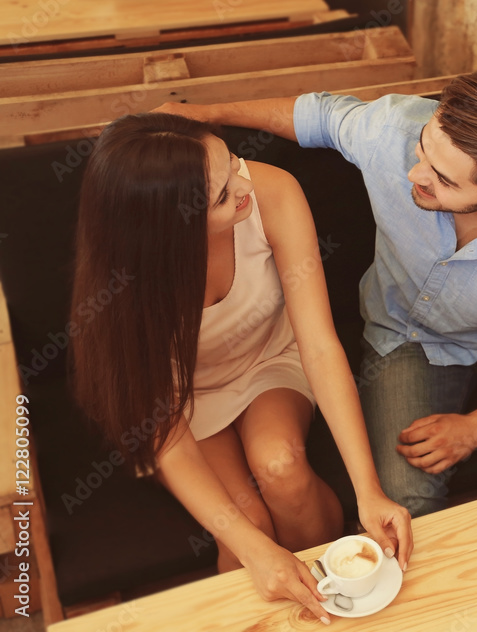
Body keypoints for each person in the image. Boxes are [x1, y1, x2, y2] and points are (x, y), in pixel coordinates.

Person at [155, 67, 477, 518]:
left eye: (442, 180)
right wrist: (207, 114)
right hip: (403, 339)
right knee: (405, 502)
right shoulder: (394, 130)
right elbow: (316, 116)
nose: (414, 174)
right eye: (424, 150)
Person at [70, 112, 411, 624]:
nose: (243, 184)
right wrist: (252, 550)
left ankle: (335, 600)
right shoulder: (122, 280)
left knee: (281, 466)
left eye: (232, 162)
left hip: (269, 361)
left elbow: (319, 345)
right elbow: (162, 428)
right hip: (181, 401)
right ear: (169, 226)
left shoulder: (271, 191)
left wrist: (370, 491)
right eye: (223, 194)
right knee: (244, 527)